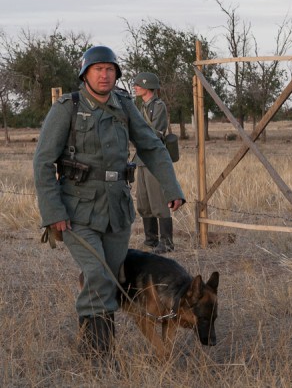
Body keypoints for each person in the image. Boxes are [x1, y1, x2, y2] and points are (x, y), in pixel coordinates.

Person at [33, 46, 185, 363]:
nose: (104, 75)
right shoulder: (67, 107)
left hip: (116, 210)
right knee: (100, 276)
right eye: (98, 69)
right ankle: (101, 358)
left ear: (117, 74)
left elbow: (152, 146)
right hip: (76, 211)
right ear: (85, 74)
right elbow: (43, 162)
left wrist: (172, 187)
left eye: (110, 69)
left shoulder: (124, 104)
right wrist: (53, 213)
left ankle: (90, 348)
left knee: (110, 279)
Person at [132, 72, 175, 254]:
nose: (135, 87)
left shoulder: (158, 106)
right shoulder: (140, 106)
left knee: (158, 201)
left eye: (138, 85)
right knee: (143, 202)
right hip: (141, 159)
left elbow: (156, 132)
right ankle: (151, 240)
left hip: (154, 158)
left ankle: (167, 242)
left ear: (148, 86)